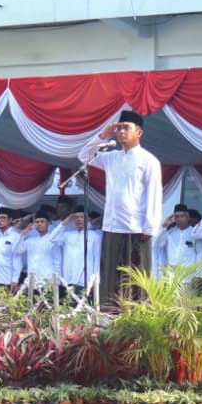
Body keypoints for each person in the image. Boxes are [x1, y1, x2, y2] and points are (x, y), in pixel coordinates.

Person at [77, 109, 162, 307]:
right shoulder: (111, 157)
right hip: (112, 225)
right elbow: (84, 155)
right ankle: (109, 312)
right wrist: (103, 135)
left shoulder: (148, 160)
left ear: (139, 133)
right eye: (119, 128)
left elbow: (154, 195)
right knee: (110, 274)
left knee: (136, 276)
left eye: (126, 128)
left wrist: (149, 227)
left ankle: (139, 315)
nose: (121, 132)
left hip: (136, 227)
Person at [58, 204, 101, 295]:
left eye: (82, 217)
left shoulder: (94, 236)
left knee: (83, 303)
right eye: (76, 217)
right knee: (68, 303)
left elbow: (97, 259)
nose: (79, 219)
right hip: (69, 278)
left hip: (86, 279)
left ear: (88, 219)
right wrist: (65, 221)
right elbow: (52, 238)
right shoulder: (67, 235)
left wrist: (95, 281)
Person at [17, 206, 65, 290]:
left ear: (48, 223)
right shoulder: (31, 240)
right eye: (37, 222)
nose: (39, 224)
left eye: (42, 222)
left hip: (48, 281)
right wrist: (22, 235)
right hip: (32, 281)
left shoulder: (53, 240)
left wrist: (56, 282)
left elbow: (57, 262)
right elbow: (17, 250)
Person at [159, 204, 201, 277]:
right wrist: (165, 226)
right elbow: (158, 245)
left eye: (182, 216)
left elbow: (200, 254)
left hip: (188, 274)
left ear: (188, 217)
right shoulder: (169, 232)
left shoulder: (195, 233)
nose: (179, 219)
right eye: (177, 216)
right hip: (171, 274)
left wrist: (198, 275)